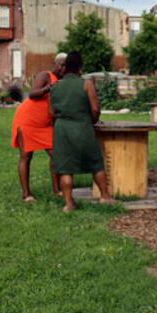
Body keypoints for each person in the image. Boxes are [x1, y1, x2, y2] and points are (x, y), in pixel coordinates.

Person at [49, 51, 115, 212]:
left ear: (65, 68)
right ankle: (105, 196)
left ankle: (68, 203)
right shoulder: (86, 84)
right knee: (95, 163)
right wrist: (91, 120)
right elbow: (95, 109)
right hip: (83, 127)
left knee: (65, 168)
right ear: (80, 67)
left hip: (62, 129)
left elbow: (51, 113)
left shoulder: (55, 86)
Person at [10, 53, 66, 202]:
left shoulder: (64, 81)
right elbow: (33, 94)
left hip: (45, 124)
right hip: (27, 120)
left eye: (65, 65)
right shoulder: (45, 75)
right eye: (60, 64)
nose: (62, 67)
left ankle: (56, 189)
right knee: (26, 156)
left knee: (56, 154)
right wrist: (49, 88)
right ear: (55, 64)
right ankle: (26, 194)